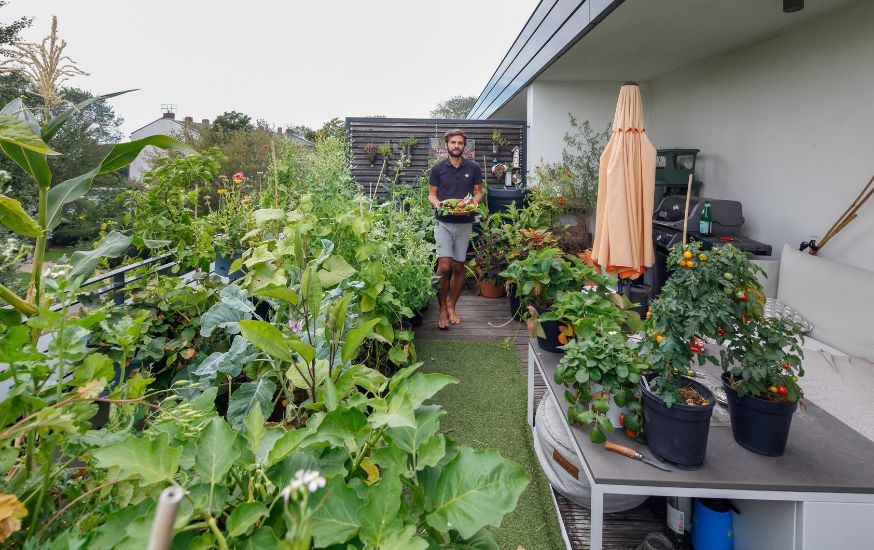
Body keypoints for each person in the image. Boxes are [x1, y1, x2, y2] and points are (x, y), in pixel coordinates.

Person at [428, 129, 483, 330]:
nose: (456, 146)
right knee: (444, 266)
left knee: (459, 267)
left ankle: (452, 306)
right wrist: (439, 205)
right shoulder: (437, 169)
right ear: (447, 145)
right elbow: (432, 195)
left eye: (460, 143)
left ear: (464, 146)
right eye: (453, 142)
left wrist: (472, 204)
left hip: (465, 222)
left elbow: (478, 193)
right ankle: (442, 307)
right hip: (443, 222)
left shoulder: (474, 167)